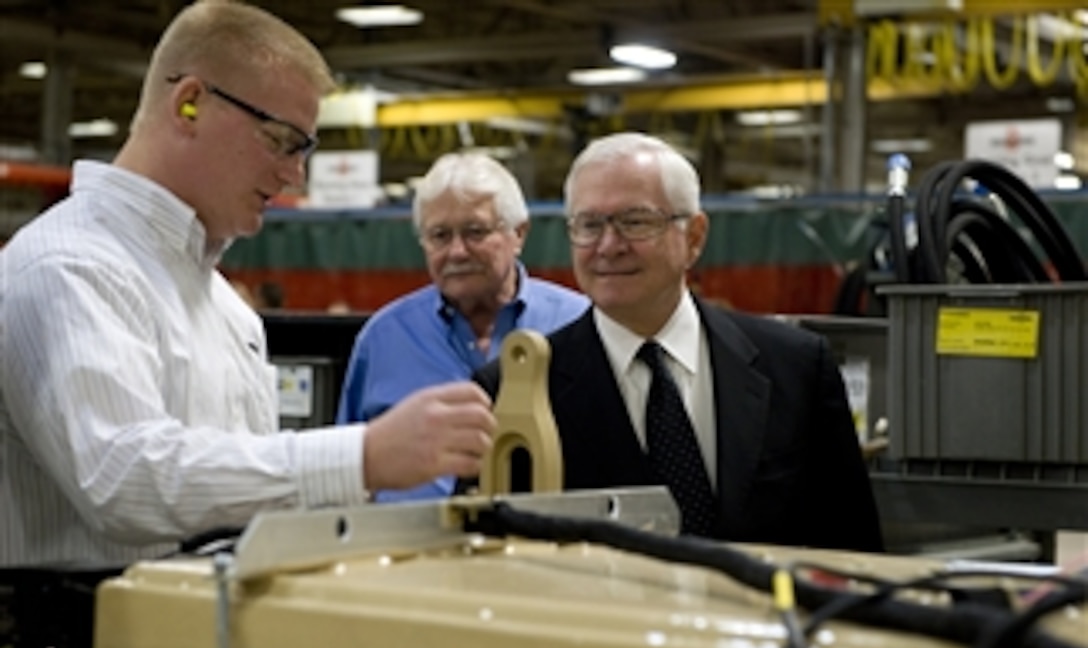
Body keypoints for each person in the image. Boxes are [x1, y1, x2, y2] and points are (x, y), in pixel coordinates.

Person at [0, 0, 496, 569]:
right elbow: (123, 478)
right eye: (282, 140)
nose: (294, 175)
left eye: (305, 150)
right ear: (189, 103)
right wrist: (362, 456)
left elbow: (241, 507)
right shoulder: (70, 266)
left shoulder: (225, 310)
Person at [470, 132, 883, 552]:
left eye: (635, 222)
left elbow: (855, 549)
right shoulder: (513, 389)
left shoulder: (795, 368)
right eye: (589, 225)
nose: (609, 247)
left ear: (694, 236)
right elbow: (485, 565)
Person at [336, 151, 588, 502]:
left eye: (475, 231)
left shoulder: (579, 325)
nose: (456, 252)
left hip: (546, 548)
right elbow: (345, 474)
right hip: (407, 551)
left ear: (519, 234)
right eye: (439, 235)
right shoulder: (383, 339)